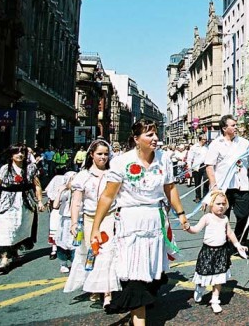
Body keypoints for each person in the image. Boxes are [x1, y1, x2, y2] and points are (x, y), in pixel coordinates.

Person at [89, 120, 190, 326]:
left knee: (151, 271)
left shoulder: (164, 160)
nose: (155, 139)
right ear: (136, 139)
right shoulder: (121, 162)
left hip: (155, 220)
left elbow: (169, 188)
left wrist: (181, 213)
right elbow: (108, 196)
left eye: (155, 134)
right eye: (149, 135)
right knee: (134, 273)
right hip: (131, 221)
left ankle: (143, 304)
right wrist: (96, 227)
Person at [64, 139, 117, 308]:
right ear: (92, 155)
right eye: (99, 154)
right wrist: (73, 223)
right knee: (92, 252)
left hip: (110, 217)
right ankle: (95, 287)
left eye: (106, 154)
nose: (103, 157)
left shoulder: (113, 173)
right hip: (89, 219)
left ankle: (107, 293)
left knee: (108, 253)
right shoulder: (83, 176)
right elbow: (76, 202)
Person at [205, 115, 249, 244]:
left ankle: (238, 242)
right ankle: (221, 244)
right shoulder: (216, 144)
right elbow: (209, 166)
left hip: (241, 186)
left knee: (244, 215)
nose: (236, 127)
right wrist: (214, 185)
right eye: (233, 125)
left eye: (236, 125)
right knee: (221, 217)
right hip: (222, 188)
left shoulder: (243, 142)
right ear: (224, 128)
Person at [0, 145, 46, 272]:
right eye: (16, 152)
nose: (20, 154)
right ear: (11, 155)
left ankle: (14, 252)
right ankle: (4, 260)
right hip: (7, 204)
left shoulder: (31, 168)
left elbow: (37, 186)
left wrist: (40, 201)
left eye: (22, 152)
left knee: (20, 228)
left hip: (26, 203)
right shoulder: (4, 169)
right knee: (5, 230)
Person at [186, 191, 248, 313]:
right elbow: (196, 229)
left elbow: (229, 233)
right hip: (208, 251)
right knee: (204, 272)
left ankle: (215, 300)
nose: (221, 206)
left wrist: (238, 245)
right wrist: (188, 228)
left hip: (221, 251)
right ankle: (200, 286)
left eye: (223, 204)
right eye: (218, 203)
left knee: (219, 277)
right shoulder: (207, 217)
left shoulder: (225, 219)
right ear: (211, 204)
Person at [54, 171, 77, 273]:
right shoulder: (65, 193)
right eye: (72, 180)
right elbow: (55, 205)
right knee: (62, 243)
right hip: (65, 220)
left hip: (76, 220)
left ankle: (75, 262)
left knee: (76, 243)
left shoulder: (80, 193)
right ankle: (63, 263)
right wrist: (60, 191)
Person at [187, 135, 209, 203]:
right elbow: (189, 159)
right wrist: (189, 169)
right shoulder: (194, 147)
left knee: (206, 182)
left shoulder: (207, 147)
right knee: (197, 182)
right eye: (204, 139)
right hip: (196, 167)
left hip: (205, 166)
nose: (205, 141)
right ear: (200, 139)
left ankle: (206, 197)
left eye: (206, 139)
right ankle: (198, 197)